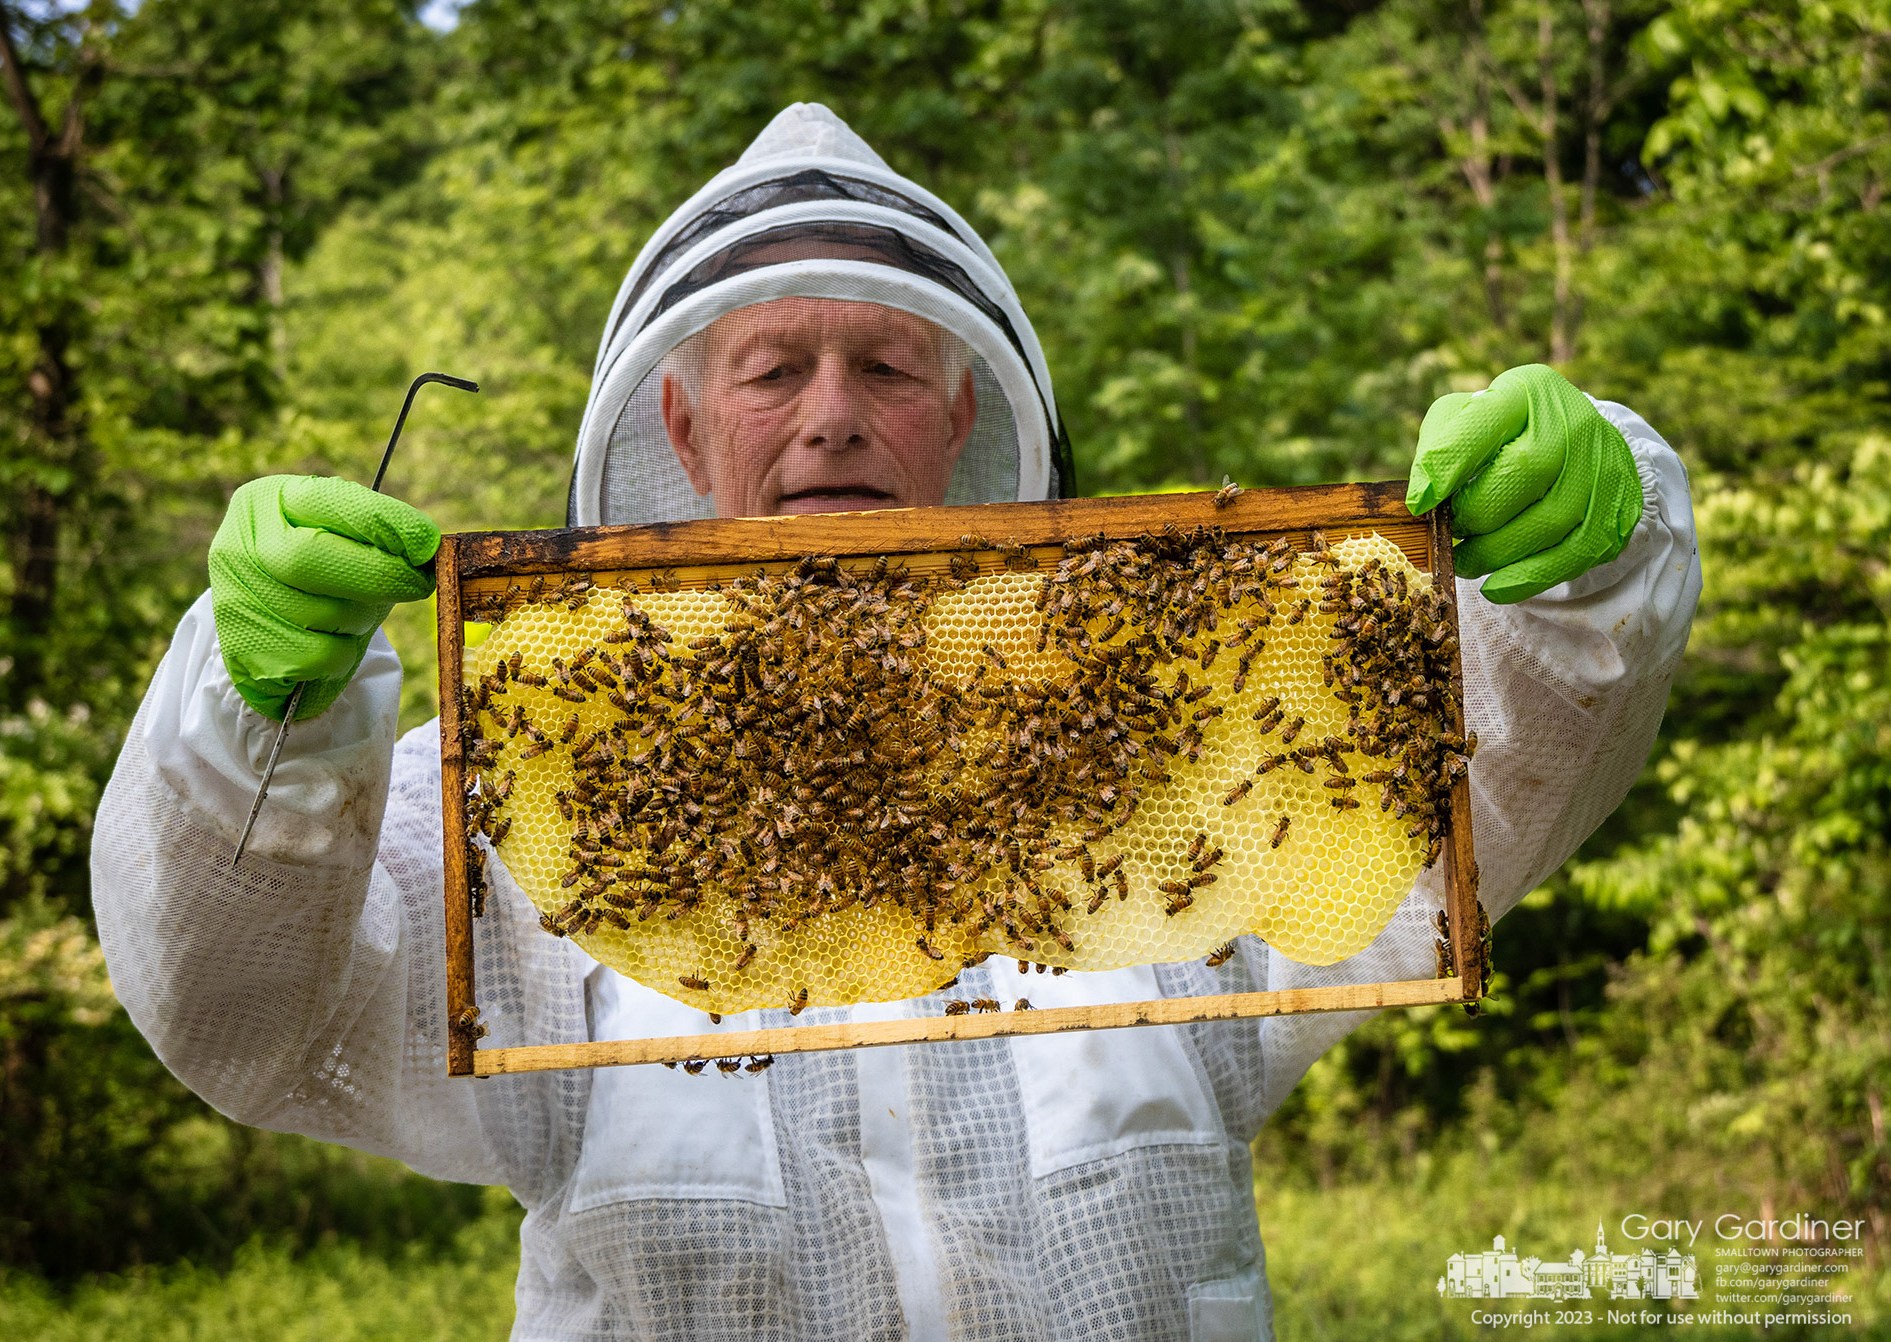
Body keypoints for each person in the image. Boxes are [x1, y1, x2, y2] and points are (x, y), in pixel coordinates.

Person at [92, 104, 1701, 1341]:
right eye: (772, 366)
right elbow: (254, 1008)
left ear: (964, 412)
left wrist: (1580, 582)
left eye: (884, 362)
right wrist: (262, 731)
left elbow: (1461, 798)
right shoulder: (539, 787)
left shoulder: (1159, 744)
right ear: (679, 416)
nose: (833, 414)